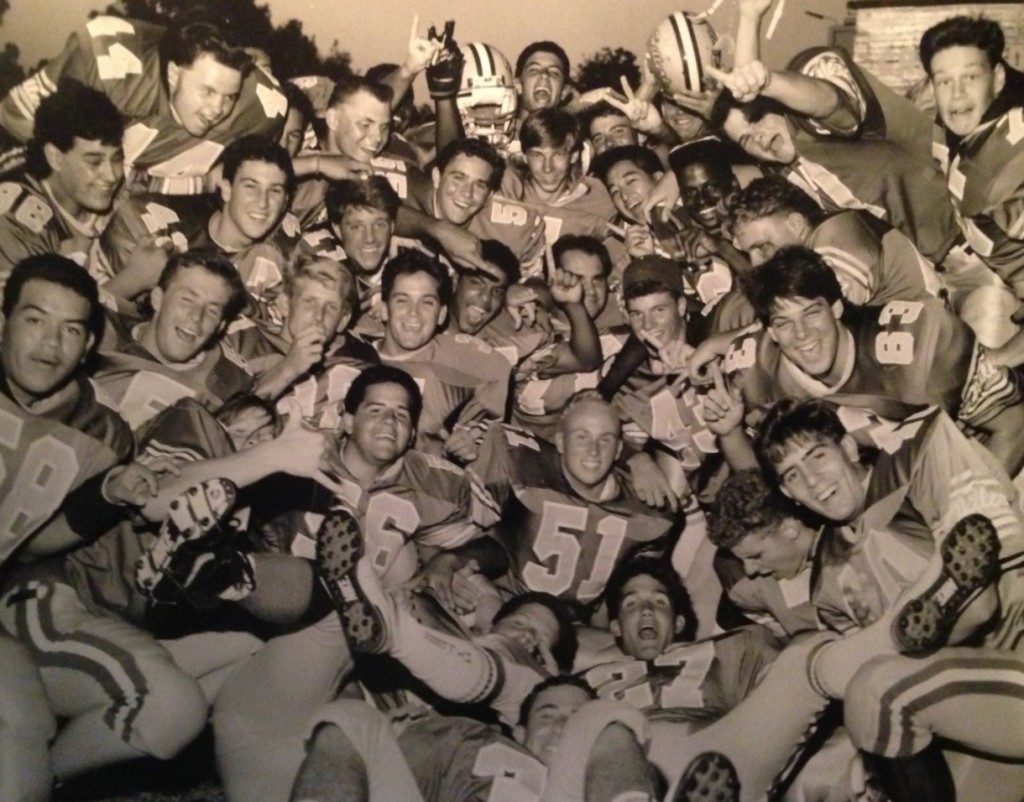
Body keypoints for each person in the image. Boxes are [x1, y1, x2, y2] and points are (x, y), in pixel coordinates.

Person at [746, 396, 1024, 802]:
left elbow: (983, 605)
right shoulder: (827, 579)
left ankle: (896, 632)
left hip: (1013, 646)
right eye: (792, 475)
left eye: (817, 456)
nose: (812, 480)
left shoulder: (918, 452)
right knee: (863, 713)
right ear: (788, 494)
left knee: (876, 687)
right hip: (968, 706)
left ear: (849, 447)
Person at [0, 254, 177, 797]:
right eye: (34, 319)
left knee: (23, 728)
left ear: (87, 345)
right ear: (4, 321)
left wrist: (108, 494)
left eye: (69, 329)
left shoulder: (104, 433)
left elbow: (35, 545)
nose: (49, 344)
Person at [717, 245, 1024, 477]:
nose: (802, 334)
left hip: (979, 462)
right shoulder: (757, 378)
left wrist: (970, 506)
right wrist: (730, 432)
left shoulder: (912, 340)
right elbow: (773, 481)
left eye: (812, 313)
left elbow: (1012, 425)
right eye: (784, 323)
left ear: (836, 308)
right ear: (770, 331)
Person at [0, 14, 286, 194]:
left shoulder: (261, 109)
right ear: (174, 73)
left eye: (229, 97)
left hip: (145, 203)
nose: (216, 109)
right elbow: (13, 114)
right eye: (207, 91)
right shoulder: (108, 63)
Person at [469, 391, 679, 623]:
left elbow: (622, 596)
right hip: (499, 599)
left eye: (605, 439)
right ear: (559, 441)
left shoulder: (651, 511)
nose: (593, 450)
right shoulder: (518, 463)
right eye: (582, 437)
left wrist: (639, 459)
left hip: (573, 626)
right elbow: (462, 536)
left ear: (619, 450)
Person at [290, 674, 657, 802]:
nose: (563, 726)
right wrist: (392, 742)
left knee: (610, 713)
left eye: (575, 719)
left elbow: (603, 733)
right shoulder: (469, 740)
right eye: (548, 715)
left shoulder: (610, 767)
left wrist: (593, 722)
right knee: (348, 717)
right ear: (519, 732)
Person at [920, 15, 1024, 365]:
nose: (957, 93)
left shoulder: (1010, 160)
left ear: (997, 76)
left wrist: (993, 364)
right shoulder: (959, 116)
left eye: (970, 77)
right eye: (944, 81)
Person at [104, 135, 299, 312]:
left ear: (285, 202)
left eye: (275, 191)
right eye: (250, 186)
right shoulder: (155, 223)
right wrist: (134, 279)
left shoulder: (286, 253)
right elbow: (85, 309)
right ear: (226, 189)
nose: (262, 202)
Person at [374, 248, 512, 461]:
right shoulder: (356, 357)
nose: (414, 313)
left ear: (442, 314)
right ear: (384, 309)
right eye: (402, 300)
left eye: (427, 302)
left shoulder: (461, 356)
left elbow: (499, 373)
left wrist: (474, 435)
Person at [93, 249, 253, 430]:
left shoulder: (223, 384)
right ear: (157, 299)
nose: (196, 316)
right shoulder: (104, 329)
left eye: (212, 311)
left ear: (221, 326)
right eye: (187, 299)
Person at [729, 174, 944, 307]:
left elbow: (820, 325)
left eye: (762, 247)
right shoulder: (827, 235)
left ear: (796, 224)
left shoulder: (836, 242)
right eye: (749, 253)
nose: (757, 263)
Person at [0, 80, 125, 294]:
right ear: (55, 157)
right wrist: (130, 282)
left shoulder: (105, 194)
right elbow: (32, 320)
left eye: (117, 158)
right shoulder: (11, 220)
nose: (112, 175)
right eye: (94, 162)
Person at [225, 254, 378, 420]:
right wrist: (289, 368)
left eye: (331, 307)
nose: (319, 316)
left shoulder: (353, 362)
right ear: (284, 304)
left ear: (342, 321)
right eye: (309, 302)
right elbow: (224, 424)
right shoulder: (240, 336)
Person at [403, 137, 546, 277]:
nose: (467, 193)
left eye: (479, 185)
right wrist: (438, 229)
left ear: (489, 196)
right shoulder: (404, 202)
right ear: (437, 177)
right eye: (458, 178)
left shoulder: (515, 227)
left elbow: (536, 285)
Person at [706, 469, 822, 639]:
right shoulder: (750, 589)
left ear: (790, 529)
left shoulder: (857, 547)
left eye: (756, 556)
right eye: (743, 560)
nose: (750, 571)